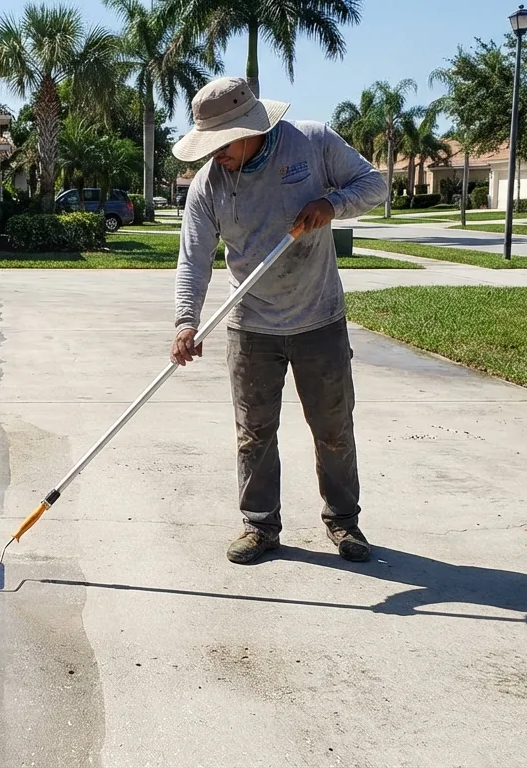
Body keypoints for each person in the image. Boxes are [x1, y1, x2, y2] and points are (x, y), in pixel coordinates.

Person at [169, 76, 388, 565]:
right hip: (250, 326)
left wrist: (330, 205)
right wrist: (186, 322)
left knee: (333, 425)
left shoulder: (312, 142)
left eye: (223, 144)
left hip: (319, 318)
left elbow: (373, 184)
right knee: (253, 432)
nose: (216, 155)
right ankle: (260, 526)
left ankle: (344, 522)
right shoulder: (210, 184)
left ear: (253, 128)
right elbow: (194, 259)